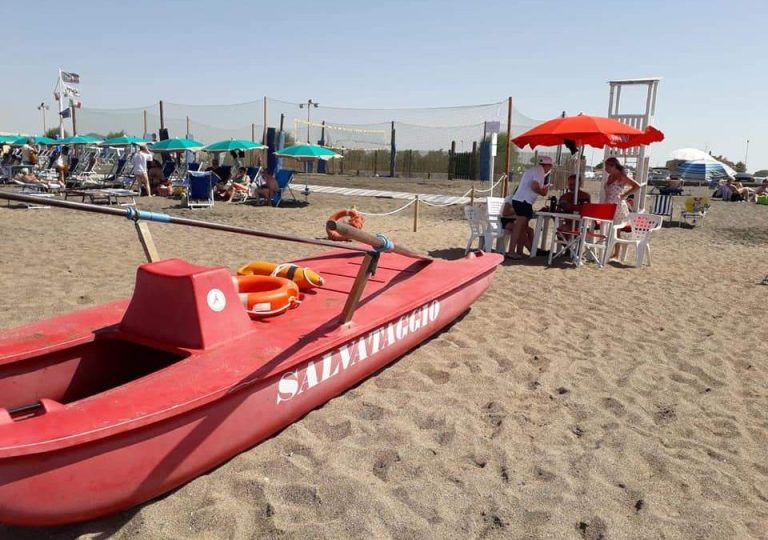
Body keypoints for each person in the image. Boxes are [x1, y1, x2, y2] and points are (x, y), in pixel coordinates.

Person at [504, 156, 553, 259]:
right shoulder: (540, 172)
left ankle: (519, 251)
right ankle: (512, 251)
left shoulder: (534, 170)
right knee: (520, 226)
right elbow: (534, 186)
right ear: (548, 165)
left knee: (523, 228)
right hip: (524, 201)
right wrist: (543, 192)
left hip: (521, 200)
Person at [601, 157, 640, 226]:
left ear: (614, 166)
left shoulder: (622, 176)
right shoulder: (610, 176)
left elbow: (637, 186)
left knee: (615, 228)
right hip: (607, 204)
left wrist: (625, 194)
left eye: (607, 167)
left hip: (617, 205)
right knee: (606, 228)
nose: (605, 169)